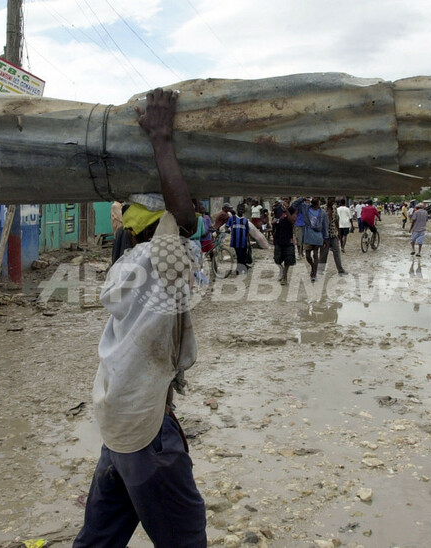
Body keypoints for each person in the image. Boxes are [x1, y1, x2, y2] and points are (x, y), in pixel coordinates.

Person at [74, 88, 206, 548]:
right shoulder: (158, 264)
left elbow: (180, 223)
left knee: (100, 538)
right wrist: (162, 139)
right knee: (185, 535)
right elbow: (185, 223)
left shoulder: (128, 267)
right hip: (147, 431)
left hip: (120, 421)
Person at [292, 197, 328, 282]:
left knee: (315, 254)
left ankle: (314, 274)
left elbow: (325, 226)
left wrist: (325, 238)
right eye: (313, 197)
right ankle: (313, 266)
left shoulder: (323, 212)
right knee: (307, 256)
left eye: (316, 198)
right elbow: (294, 205)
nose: (315, 199)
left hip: (317, 235)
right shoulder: (305, 208)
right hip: (307, 234)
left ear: (319, 201)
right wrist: (302, 198)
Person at [320, 198, 346, 275]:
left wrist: (339, 232)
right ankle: (320, 270)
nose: (332, 201)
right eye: (331, 199)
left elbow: (336, 220)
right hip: (325, 236)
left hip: (333, 234)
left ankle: (340, 270)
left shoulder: (335, 208)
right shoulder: (322, 209)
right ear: (327, 199)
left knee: (337, 252)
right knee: (323, 254)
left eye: (333, 200)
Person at [273, 205, 297, 284]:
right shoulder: (277, 209)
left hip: (288, 238)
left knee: (288, 258)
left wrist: (286, 210)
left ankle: (285, 277)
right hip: (278, 237)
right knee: (277, 258)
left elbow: (293, 221)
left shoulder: (293, 210)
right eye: (283, 199)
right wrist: (274, 222)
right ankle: (281, 269)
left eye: (286, 199)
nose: (284, 201)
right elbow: (273, 220)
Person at [227, 204, 251, 274]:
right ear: (237, 210)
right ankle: (240, 269)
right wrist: (228, 229)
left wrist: (248, 242)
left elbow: (247, 232)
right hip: (235, 241)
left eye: (242, 209)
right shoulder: (232, 218)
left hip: (243, 241)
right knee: (239, 255)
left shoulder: (245, 220)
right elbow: (227, 226)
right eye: (239, 209)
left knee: (243, 255)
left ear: (244, 211)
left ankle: (242, 268)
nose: (241, 211)